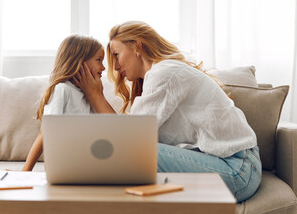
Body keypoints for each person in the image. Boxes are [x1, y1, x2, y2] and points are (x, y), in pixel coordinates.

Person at [74, 21, 262, 203]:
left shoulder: (164, 73)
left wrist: (95, 95)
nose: (115, 66)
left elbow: (128, 139)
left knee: (133, 151)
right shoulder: (159, 75)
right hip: (230, 165)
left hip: (238, 169)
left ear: (137, 47)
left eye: (116, 55)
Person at [22, 34, 106, 171]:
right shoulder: (62, 90)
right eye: (99, 60)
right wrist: (26, 170)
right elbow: (45, 133)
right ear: (81, 62)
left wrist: (98, 95)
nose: (103, 68)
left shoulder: (90, 94)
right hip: (65, 165)